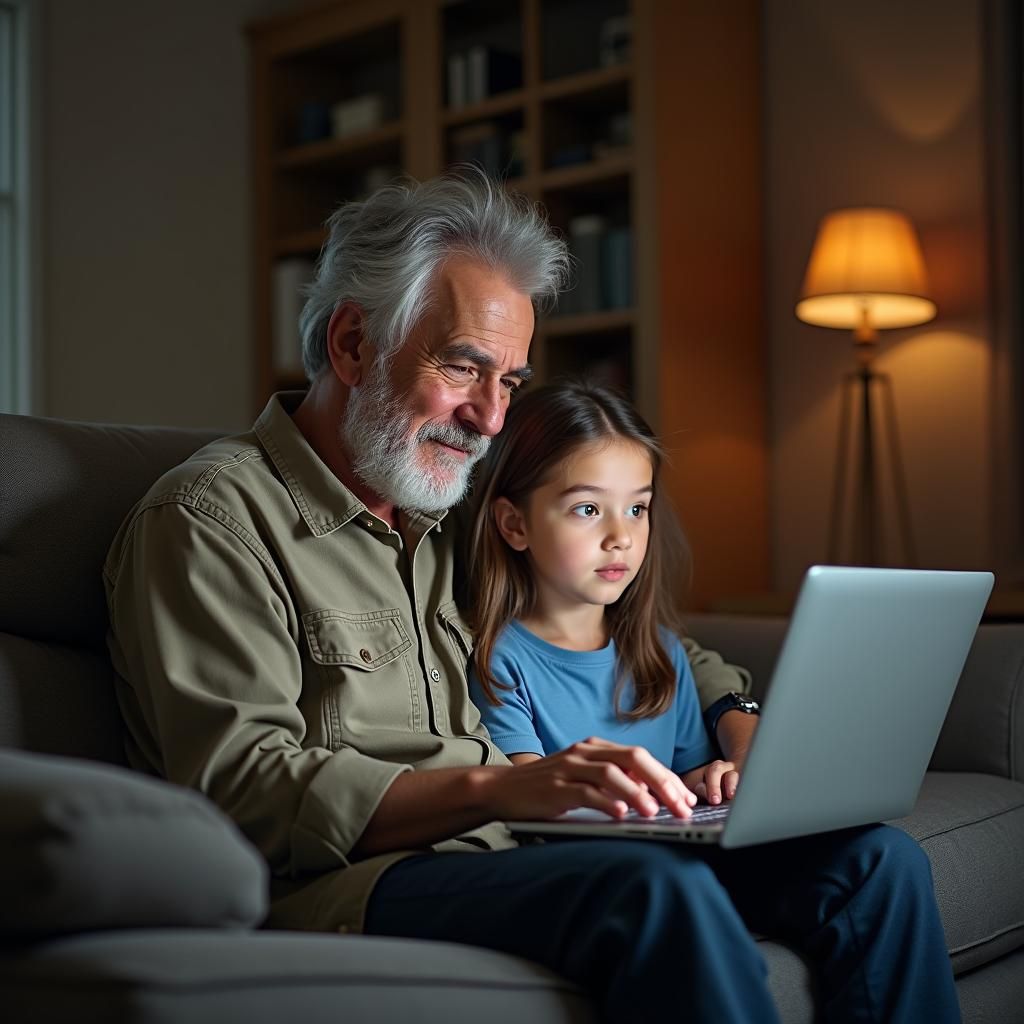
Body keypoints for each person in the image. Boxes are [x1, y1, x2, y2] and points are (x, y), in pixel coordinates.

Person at [104, 169, 959, 1022]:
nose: (489, 418)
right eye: (463, 367)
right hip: (349, 884)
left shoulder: (451, 509)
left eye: (509, 381)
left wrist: (739, 718)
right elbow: (240, 789)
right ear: (353, 344)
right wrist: (503, 787)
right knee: (654, 891)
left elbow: (645, 636)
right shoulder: (210, 519)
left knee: (875, 864)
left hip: (518, 851)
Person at [467, 380, 737, 807]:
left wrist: (712, 781)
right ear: (515, 525)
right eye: (588, 509)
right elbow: (530, 798)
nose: (621, 537)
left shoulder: (664, 653)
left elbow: (686, 775)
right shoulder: (499, 663)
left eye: (636, 509)